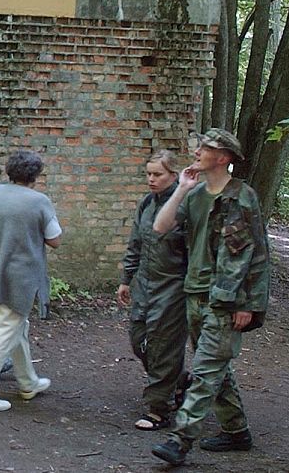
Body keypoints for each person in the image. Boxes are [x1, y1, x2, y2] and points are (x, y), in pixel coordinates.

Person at [149, 129, 271, 466]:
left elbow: (255, 256)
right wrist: (183, 189)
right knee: (216, 366)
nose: (198, 151)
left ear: (224, 157)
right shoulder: (196, 194)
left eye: (207, 148)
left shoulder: (242, 197)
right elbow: (160, 227)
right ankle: (236, 431)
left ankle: (180, 439)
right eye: (200, 146)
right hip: (195, 293)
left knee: (205, 370)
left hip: (225, 299)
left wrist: (248, 304)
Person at [0, 150, 61, 411]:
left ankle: (28, 382)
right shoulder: (39, 201)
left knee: (16, 324)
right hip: (22, 276)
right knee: (5, 330)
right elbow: (55, 240)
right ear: (36, 175)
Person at [117, 150, 190, 431]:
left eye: (157, 174)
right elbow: (136, 243)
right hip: (145, 285)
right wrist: (127, 278)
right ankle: (179, 380)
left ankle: (158, 410)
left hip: (173, 288)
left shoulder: (184, 205)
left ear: (174, 175)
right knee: (139, 341)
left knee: (162, 348)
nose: (151, 179)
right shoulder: (147, 203)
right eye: (148, 174)